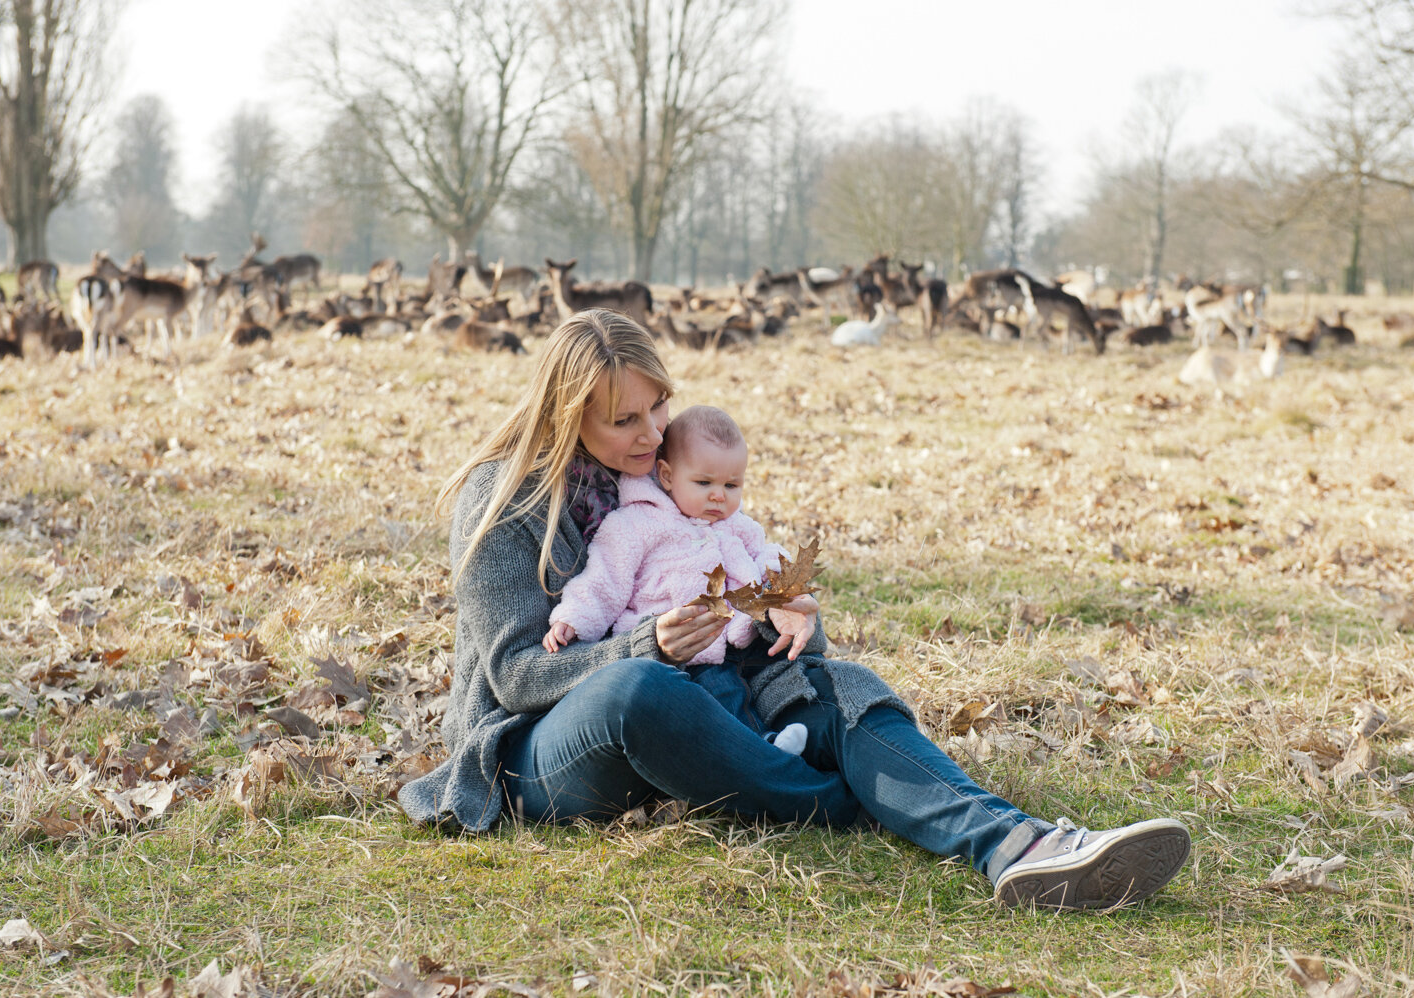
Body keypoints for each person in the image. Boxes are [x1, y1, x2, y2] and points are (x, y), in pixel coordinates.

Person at [398, 308, 1192, 910]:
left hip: (699, 709)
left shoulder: (669, 478)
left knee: (841, 684)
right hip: (542, 748)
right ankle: (854, 803)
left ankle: (1020, 846)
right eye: (624, 420)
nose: (651, 434)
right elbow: (513, 675)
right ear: (569, 414)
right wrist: (644, 645)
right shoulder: (506, 499)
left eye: (657, 410)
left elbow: (736, 574)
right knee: (638, 690)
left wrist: (787, 617)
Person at [542, 404, 809, 756]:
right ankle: (763, 755)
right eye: (704, 483)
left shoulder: (733, 524)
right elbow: (604, 580)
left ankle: (768, 746)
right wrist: (572, 619)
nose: (719, 495)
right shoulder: (635, 524)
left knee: (735, 691)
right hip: (665, 652)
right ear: (666, 476)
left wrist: (784, 590)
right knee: (714, 698)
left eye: (732, 485)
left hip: (727, 644)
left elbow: (766, 556)